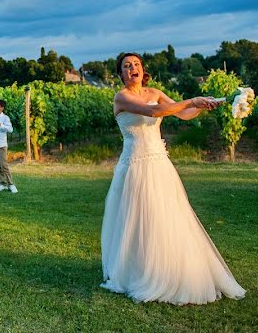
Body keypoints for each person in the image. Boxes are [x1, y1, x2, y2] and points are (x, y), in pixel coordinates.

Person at [101, 52, 245, 305]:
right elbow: (155, 112)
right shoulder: (121, 97)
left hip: (160, 164)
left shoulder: (155, 91)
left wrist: (200, 106)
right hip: (134, 165)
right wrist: (192, 99)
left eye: (136, 64)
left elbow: (183, 114)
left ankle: (170, 267)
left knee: (166, 214)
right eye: (126, 66)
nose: (132, 67)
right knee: (138, 217)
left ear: (142, 69)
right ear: (121, 74)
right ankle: (140, 269)